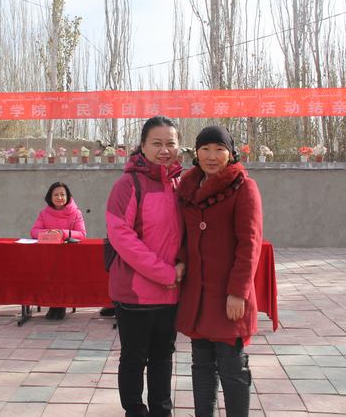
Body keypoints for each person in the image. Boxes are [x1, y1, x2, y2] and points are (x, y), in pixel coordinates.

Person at [175, 126, 263, 417]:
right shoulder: (188, 188)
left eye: (219, 149)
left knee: (231, 366)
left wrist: (238, 292)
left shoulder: (243, 187)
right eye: (205, 149)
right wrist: (180, 262)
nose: (212, 156)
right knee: (201, 364)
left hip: (228, 295)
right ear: (196, 153)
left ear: (230, 153)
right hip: (198, 294)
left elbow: (249, 244)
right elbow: (184, 235)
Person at [106, 115, 185, 417]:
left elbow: (189, 231)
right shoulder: (128, 184)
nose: (164, 150)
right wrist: (165, 273)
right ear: (142, 145)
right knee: (134, 358)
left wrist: (182, 264)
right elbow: (121, 237)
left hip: (171, 291)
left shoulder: (180, 184)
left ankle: (162, 411)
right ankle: (135, 411)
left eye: (170, 143)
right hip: (135, 293)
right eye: (157, 143)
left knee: (163, 357)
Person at [30, 181, 86, 320]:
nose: (59, 197)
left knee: (62, 272)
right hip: (48, 254)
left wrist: (62, 232)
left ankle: (60, 305)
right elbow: (34, 231)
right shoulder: (44, 213)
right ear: (50, 197)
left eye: (62, 194)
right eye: (56, 195)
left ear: (68, 196)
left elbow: (82, 234)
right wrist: (49, 233)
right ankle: (52, 304)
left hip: (68, 255)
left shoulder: (76, 213)